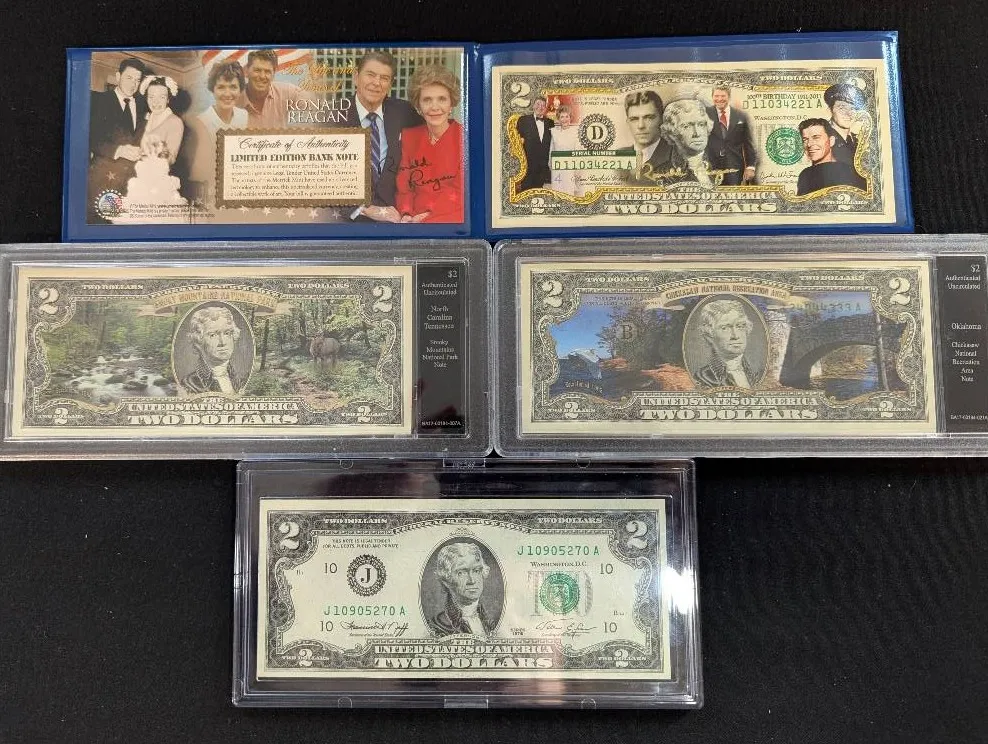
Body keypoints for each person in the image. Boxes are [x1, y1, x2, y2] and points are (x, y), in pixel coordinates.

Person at [326, 51, 422, 222]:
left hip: (397, 220)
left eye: (384, 78)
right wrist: (365, 210)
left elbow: (431, 143)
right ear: (356, 77)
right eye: (370, 75)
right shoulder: (332, 117)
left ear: (390, 84)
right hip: (347, 222)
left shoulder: (404, 112)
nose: (376, 83)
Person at [393, 65, 464, 223]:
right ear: (418, 105)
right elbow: (404, 187)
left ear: (451, 104)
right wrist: (406, 213)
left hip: (451, 221)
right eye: (427, 100)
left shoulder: (465, 138)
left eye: (442, 99)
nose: (434, 107)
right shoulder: (409, 137)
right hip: (412, 222)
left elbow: (460, 193)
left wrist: (426, 217)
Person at [88, 57, 148, 221]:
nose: (133, 84)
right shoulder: (97, 100)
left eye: (137, 80)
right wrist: (118, 150)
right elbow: (88, 137)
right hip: (102, 180)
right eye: (129, 78)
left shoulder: (144, 105)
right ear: (118, 76)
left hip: (132, 183)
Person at [190, 61, 249, 203]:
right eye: (221, 87)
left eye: (233, 87)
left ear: (240, 89)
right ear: (213, 89)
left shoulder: (244, 116)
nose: (227, 94)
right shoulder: (202, 122)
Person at [429, 542, 496, 637]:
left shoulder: (490, 622)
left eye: (476, 571)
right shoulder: (436, 627)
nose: (472, 580)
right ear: (446, 580)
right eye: (461, 572)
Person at [179, 306, 248, 395]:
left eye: (227, 333)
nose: (222, 342)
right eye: (213, 335)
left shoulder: (241, 380)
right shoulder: (189, 384)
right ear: (198, 341)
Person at [238, 49, 313, 128]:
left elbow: (315, 103)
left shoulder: (287, 92)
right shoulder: (234, 98)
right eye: (257, 70)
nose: (262, 76)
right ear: (246, 71)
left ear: (273, 74)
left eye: (267, 71)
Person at [693, 299, 760, 388]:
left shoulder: (756, 374)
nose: (735, 336)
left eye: (740, 326)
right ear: (708, 336)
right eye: (724, 328)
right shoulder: (702, 378)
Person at [796, 118, 867, 196]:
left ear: (831, 141)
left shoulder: (849, 172)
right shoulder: (805, 174)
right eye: (805, 140)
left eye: (816, 137)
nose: (809, 144)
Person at [657, 98, 716, 187]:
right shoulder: (659, 175)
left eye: (701, 124)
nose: (697, 133)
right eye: (687, 126)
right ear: (671, 133)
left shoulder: (724, 166)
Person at [705, 86, 757, 185]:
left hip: (734, 168)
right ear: (712, 97)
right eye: (716, 96)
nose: (719, 99)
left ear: (729, 97)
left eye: (723, 96)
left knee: (733, 194)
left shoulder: (741, 116)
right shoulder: (704, 114)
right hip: (709, 167)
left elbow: (748, 143)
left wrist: (750, 167)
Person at [622, 90, 673, 185]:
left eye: (649, 117)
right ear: (628, 123)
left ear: (661, 119)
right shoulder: (619, 157)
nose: (641, 126)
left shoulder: (677, 157)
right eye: (634, 119)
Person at [138, 76, 184, 167]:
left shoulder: (175, 122)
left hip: (157, 172)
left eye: (162, 97)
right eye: (151, 97)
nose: (156, 102)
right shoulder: (144, 119)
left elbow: (170, 159)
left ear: (168, 99)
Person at [823, 83, 867, 170]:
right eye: (842, 108)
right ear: (830, 110)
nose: (848, 114)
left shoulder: (858, 140)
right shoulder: (822, 139)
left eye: (853, 108)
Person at [514, 96, 554, 192]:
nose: (540, 107)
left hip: (543, 169)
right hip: (527, 167)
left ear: (545, 108)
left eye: (543, 105)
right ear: (533, 106)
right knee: (526, 194)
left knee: (541, 195)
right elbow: (517, 142)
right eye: (538, 104)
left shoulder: (550, 123)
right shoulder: (523, 120)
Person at [548, 105, 584, 196]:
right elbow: (551, 151)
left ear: (570, 118)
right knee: (557, 193)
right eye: (562, 117)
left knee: (569, 193)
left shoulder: (576, 132)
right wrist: (551, 166)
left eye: (567, 116)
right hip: (557, 169)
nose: (564, 119)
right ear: (558, 119)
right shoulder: (554, 132)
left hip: (570, 168)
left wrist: (577, 170)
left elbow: (578, 152)